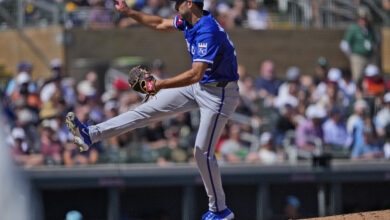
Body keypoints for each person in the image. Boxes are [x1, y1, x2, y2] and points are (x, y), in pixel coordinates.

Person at [66, 0, 239, 219]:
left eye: (178, 1)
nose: (175, 4)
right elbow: (158, 23)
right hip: (200, 86)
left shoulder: (208, 29)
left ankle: (220, 211)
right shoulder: (188, 20)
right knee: (145, 110)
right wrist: (129, 12)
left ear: (189, 3)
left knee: (201, 152)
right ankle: (90, 135)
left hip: (220, 95)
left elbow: (195, 73)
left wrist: (158, 85)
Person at [340, 6, 375, 82]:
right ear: (358, 19)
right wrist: (351, 56)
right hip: (358, 57)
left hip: (369, 57)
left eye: (365, 19)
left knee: (371, 79)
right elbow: (344, 45)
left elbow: (373, 43)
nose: (363, 21)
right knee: (358, 79)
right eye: (361, 18)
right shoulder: (353, 29)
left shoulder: (370, 29)